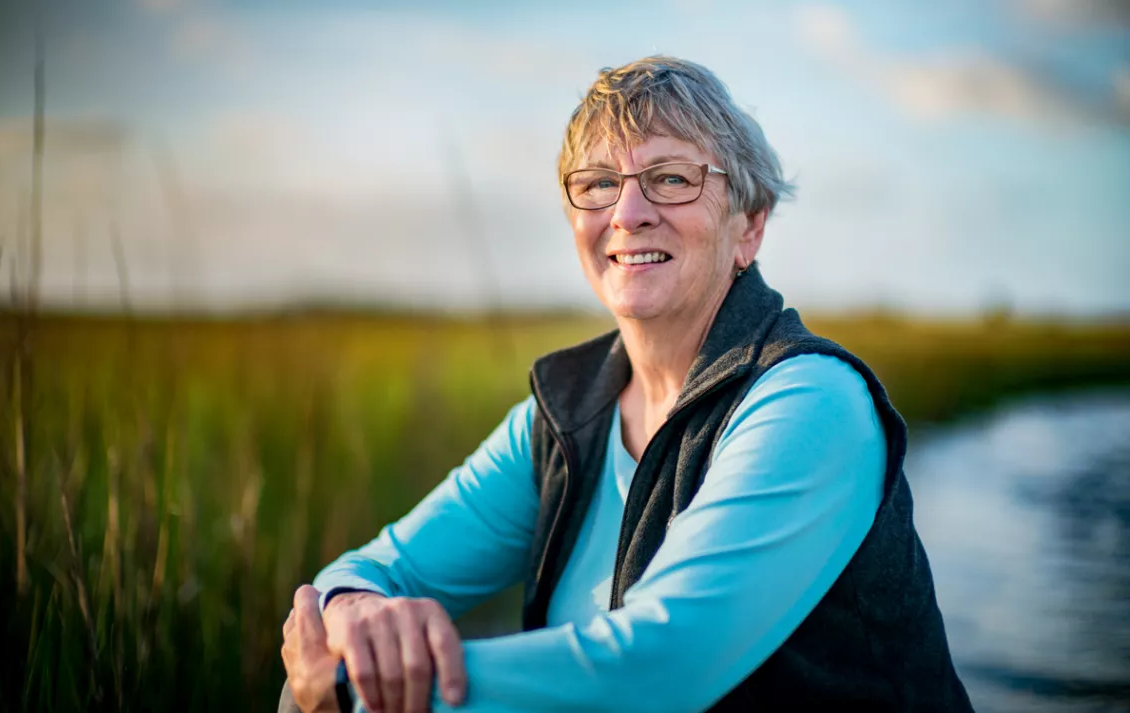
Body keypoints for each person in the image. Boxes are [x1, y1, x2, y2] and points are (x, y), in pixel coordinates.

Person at [280, 56, 973, 713]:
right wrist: (351, 616)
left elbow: (659, 669)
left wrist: (358, 688)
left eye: (672, 178)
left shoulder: (813, 403)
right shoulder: (560, 419)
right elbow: (371, 569)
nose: (628, 211)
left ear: (750, 226)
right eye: (597, 183)